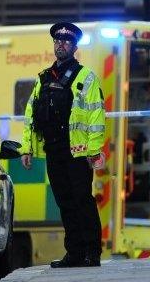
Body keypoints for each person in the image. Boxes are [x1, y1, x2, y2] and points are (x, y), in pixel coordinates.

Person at [19, 22, 106, 268]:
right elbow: (30, 115)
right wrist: (26, 148)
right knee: (64, 203)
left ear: (75, 47)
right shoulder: (44, 78)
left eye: (66, 41)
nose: (61, 44)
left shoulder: (85, 76)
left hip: (77, 151)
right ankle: (75, 253)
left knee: (83, 201)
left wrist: (93, 150)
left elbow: (96, 116)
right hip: (53, 150)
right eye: (57, 41)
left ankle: (92, 252)